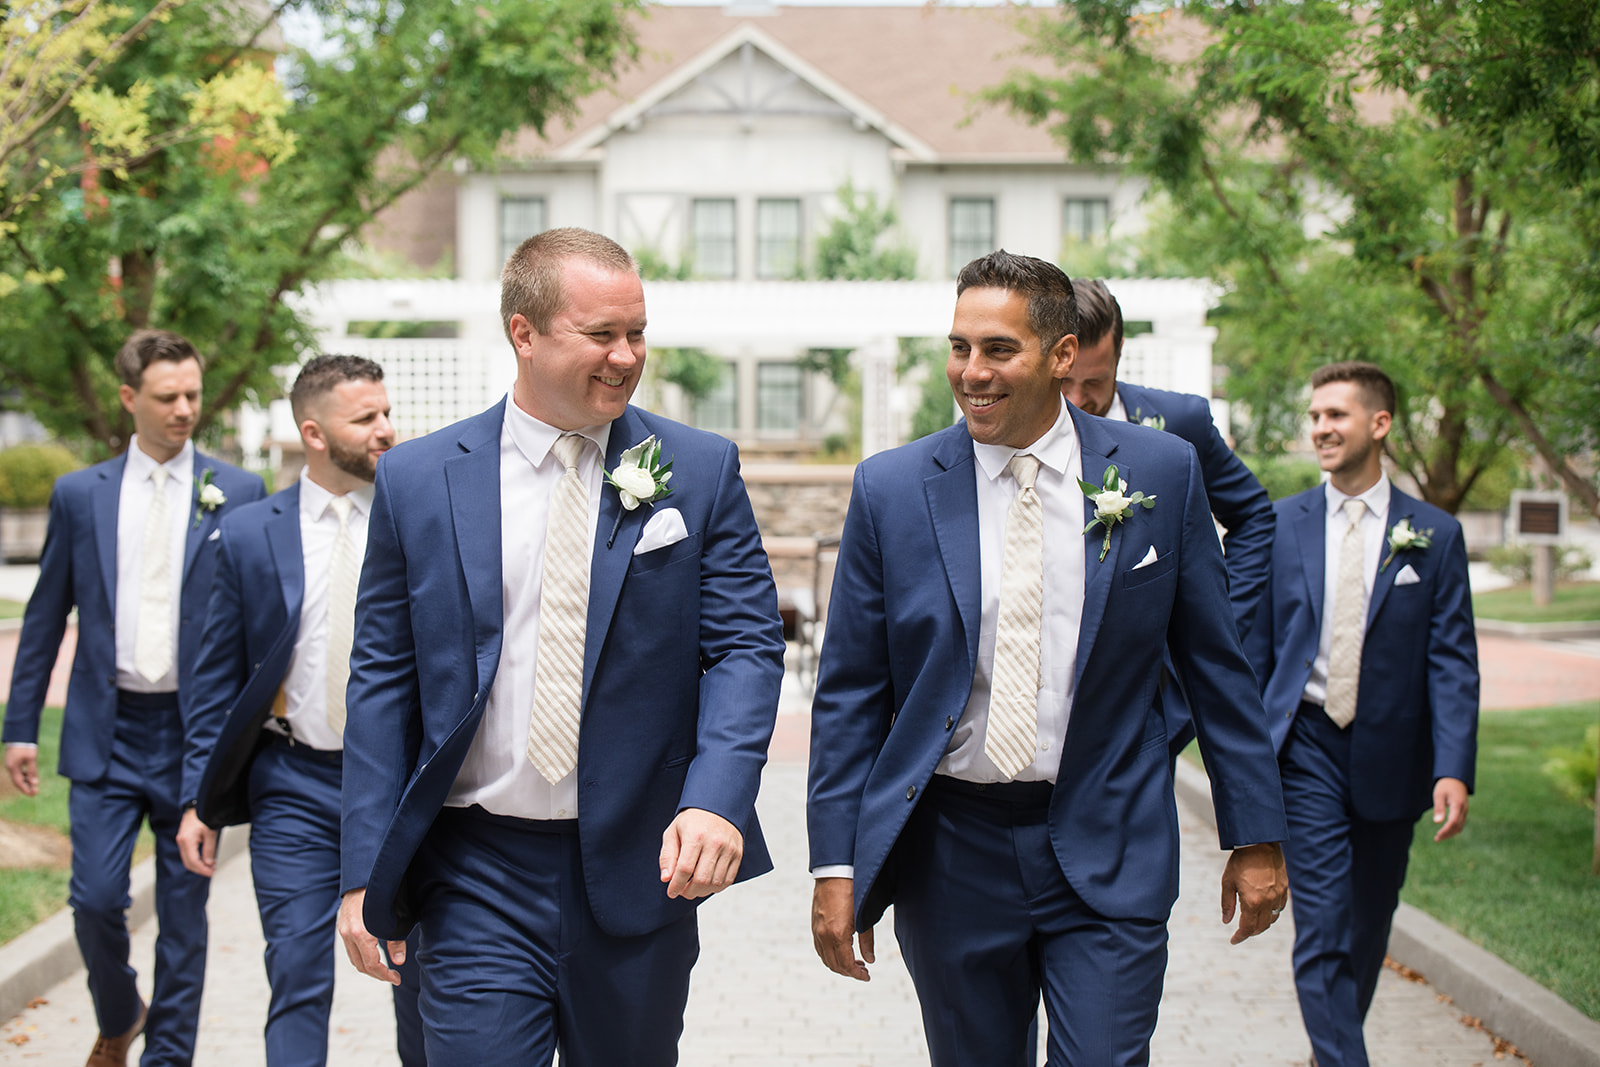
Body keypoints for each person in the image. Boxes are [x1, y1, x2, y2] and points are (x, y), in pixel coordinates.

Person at [806, 251, 1290, 1066]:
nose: (972, 372)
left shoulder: (1159, 473)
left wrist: (1257, 833)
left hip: (1110, 834)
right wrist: (834, 862)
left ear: (1063, 356)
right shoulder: (890, 488)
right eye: (960, 348)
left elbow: (1217, 666)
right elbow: (850, 691)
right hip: (952, 851)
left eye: (999, 350)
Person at [335, 227, 786, 1065]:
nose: (626, 355)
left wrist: (717, 795)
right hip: (473, 868)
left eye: (637, 332)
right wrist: (362, 869)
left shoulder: (699, 468)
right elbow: (383, 680)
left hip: (640, 864)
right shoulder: (419, 478)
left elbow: (746, 648)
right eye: (602, 334)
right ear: (525, 333)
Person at [2, 329, 265, 1067]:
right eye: (167, 397)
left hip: (196, 736)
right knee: (93, 899)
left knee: (185, 914)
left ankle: (166, 1058)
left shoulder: (238, 493)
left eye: (193, 394)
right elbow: (48, 614)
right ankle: (121, 1011)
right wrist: (20, 726)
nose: (185, 409)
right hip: (105, 731)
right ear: (128, 398)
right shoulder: (79, 495)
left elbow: (256, 625)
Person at [174, 355, 424, 1066]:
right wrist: (202, 798)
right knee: (296, 976)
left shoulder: (420, 515)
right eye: (365, 418)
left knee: (423, 980)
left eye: (385, 412)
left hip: (407, 787)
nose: (386, 429)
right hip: (294, 785)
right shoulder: (251, 533)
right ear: (314, 432)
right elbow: (215, 679)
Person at [1254, 362, 1477, 1067]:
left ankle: (1330, 1052)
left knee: (1367, 925)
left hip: (1392, 755)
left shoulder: (1434, 535)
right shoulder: (1281, 524)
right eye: (1315, 415)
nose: (1320, 427)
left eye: (1336, 415)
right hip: (1308, 745)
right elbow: (1257, 647)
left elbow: (1452, 660)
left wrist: (1452, 767)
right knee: (1321, 925)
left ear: (1378, 424)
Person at [1061, 279, 1274, 759]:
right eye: (1064, 381)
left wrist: (1218, 624)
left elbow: (1253, 515)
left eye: (1094, 383)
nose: (1075, 400)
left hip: (1149, 697)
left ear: (1119, 355)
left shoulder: (1181, 423)